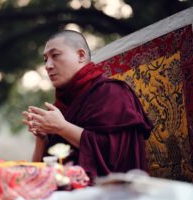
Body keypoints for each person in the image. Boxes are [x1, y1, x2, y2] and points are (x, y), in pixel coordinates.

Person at [22, 30, 153, 183]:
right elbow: (42, 168)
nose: (47, 66)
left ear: (81, 55)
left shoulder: (112, 93)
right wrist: (41, 138)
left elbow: (116, 156)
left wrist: (62, 127)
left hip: (111, 193)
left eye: (55, 55)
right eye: (45, 59)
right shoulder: (62, 104)